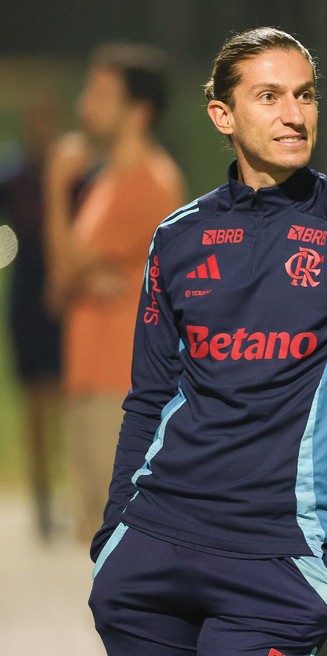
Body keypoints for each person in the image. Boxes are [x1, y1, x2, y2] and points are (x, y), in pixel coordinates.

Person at [88, 27, 327, 655]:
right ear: (222, 115)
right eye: (269, 97)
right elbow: (148, 396)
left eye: (305, 96)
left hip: (277, 564)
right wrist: (114, 531)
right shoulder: (176, 237)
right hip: (153, 547)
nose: (293, 115)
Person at [44, 43, 186, 544]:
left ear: (138, 112)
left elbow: (62, 268)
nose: (86, 104)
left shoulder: (147, 182)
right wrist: (84, 274)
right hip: (91, 376)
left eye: (102, 94)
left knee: (121, 543)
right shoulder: (107, 181)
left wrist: (55, 186)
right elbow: (62, 285)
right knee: (100, 539)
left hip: (118, 384)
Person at [0, 89, 65, 542]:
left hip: (61, 292)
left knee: (63, 393)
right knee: (34, 397)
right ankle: (42, 493)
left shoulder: (72, 175)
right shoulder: (14, 175)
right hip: (27, 289)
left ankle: (65, 485)